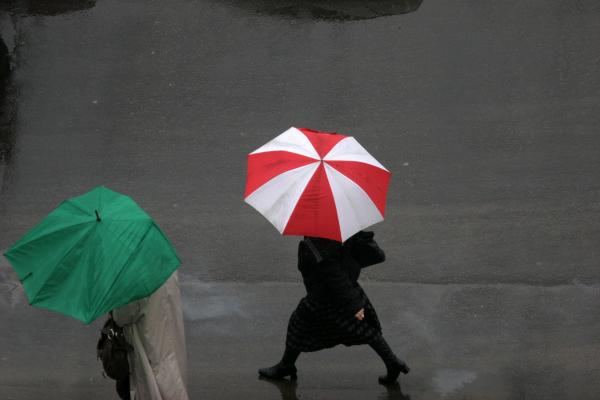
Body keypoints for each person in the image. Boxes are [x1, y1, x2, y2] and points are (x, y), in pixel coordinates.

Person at [258, 231, 409, 385]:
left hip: (329, 296)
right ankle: (392, 362)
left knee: (302, 324)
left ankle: (286, 365)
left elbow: (334, 274)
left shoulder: (322, 239)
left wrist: (354, 304)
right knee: (361, 329)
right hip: (335, 291)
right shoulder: (335, 228)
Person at [112, 271, 189, 400]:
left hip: (148, 345)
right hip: (168, 334)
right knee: (173, 381)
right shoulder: (167, 266)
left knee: (155, 386)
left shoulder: (134, 276)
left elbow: (121, 316)